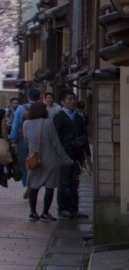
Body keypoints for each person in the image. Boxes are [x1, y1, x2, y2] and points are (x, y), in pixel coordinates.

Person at [22, 101, 68, 222]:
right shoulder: (48, 123)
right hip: (51, 160)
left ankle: (32, 212)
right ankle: (45, 213)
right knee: (49, 187)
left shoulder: (26, 123)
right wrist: (66, 158)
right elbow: (56, 143)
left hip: (34, 159)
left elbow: (26, 140)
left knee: (33, 186)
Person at [52, 90, 90, 220]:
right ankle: (63, 209)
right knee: (64, 183)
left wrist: (87, 156)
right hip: (65, 154)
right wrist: (59, 156)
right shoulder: (59, 117)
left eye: (73, 99)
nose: (72, 101)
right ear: (62, 102)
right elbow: (56, 138)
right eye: (69, 99)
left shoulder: (79, 117)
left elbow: (85, 137)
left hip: (78, 154)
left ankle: (74, 209)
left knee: (75, 183)